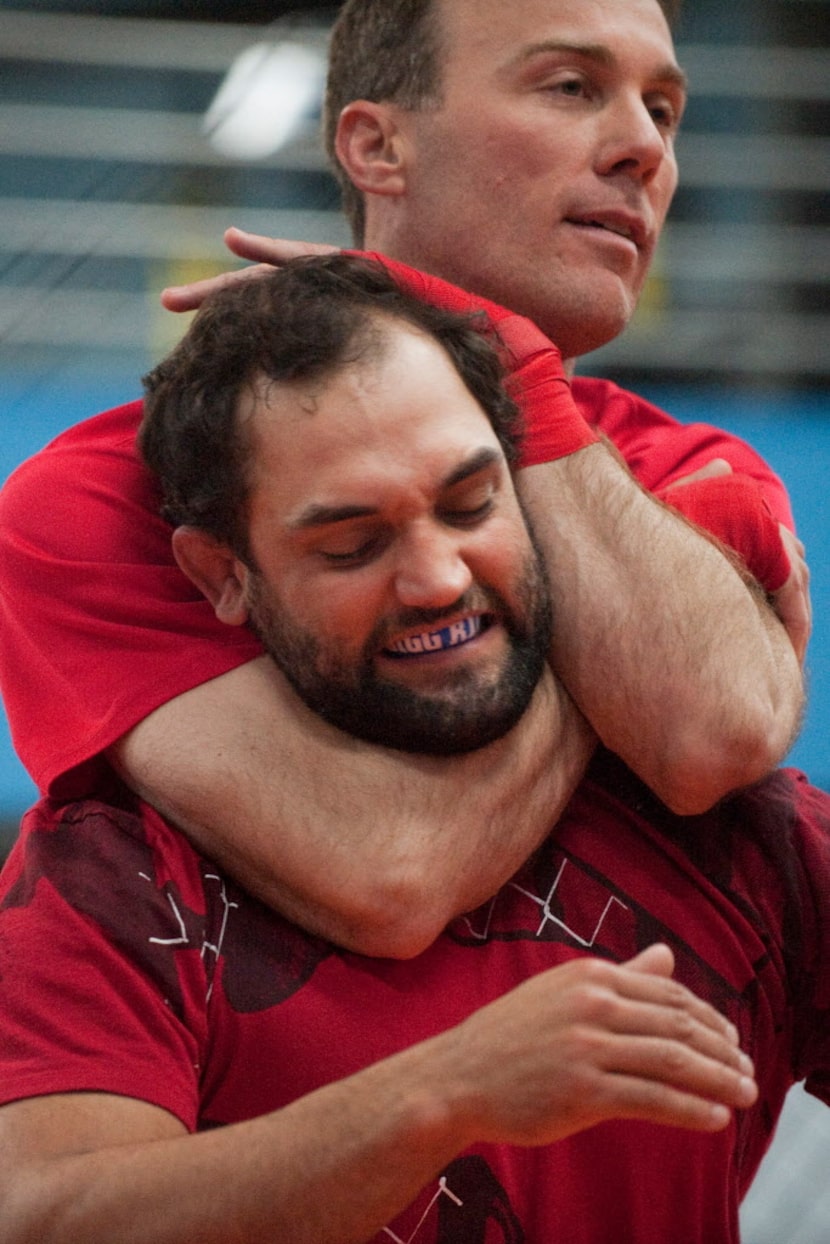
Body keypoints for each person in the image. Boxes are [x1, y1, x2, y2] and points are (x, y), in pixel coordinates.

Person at [2, 256, 827, 1244]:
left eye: (472, 503)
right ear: (222, 574)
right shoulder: (119, 874)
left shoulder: (736, 833)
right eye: (352, 545)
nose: (436, 578)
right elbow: (49, 1217)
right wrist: (439, 1095)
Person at [0, 0, 808, 956]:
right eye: (572, 87)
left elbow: (709, 744)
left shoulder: (687, 464)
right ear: (378, 146)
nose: (645, 147)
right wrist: (623, 663)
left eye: (665, 110)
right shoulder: (102, 496)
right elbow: (389, 868)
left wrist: (514, 371)